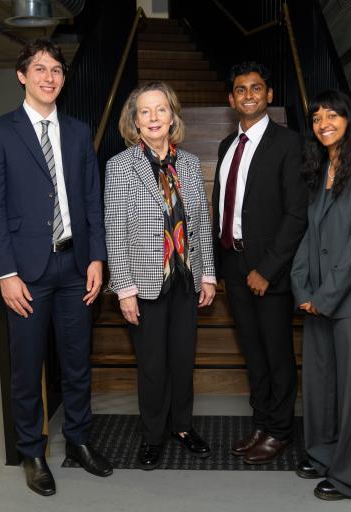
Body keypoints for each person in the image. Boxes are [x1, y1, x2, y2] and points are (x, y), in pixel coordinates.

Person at [0, 38, 112, 497]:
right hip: (26, 273)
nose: (49, 77)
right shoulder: (0, 132)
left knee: (77, 362)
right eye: (39, 68)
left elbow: (91, 199)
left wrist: (97, 257)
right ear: (22, 76)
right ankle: (32, 452)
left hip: (75, 265)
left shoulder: (77, 131)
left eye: (56, 70)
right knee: (27, 367)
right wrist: (5, 273)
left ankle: (78, 441)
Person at [104, 81, 217, 470]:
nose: (153, 117)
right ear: (135, 121)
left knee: (183, 361)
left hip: (185, 279)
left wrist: (208, 274)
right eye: (145, 111)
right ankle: (153, 435)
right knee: (153, 366)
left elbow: (200, 222)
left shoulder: (189, 163)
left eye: (161, 109)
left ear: (172, 117)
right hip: (145, 284)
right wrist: (124, 289)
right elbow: (115, 232)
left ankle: (182, 427)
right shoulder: (120, 166)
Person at [290, 89, 351, 501]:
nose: (324, 123)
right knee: (321, 384)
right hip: (318, 297)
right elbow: (311, 235)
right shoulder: (320, 169)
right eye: (316, 118)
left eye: (332, 115)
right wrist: (301, 286)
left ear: (350, 120)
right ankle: (323, 455)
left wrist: (324, 296)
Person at [213, 61, 307, 464]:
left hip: (268, 271)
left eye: (256, 88)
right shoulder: (226, 146)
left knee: (276, 354)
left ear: (268, 95)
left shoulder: (289, 143)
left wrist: (267, 269)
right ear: (231, 99)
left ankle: (280, 431)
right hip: (232, 265)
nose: (248, 95)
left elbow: (297, 214)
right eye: (240, 89)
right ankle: (262, 423)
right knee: (253, 353)